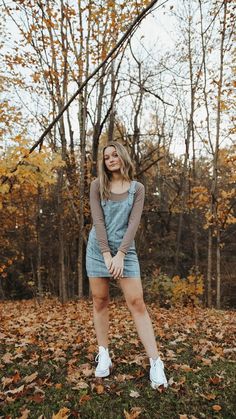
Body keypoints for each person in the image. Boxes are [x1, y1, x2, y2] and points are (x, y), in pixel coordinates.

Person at [86, 141, 168, 389]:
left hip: (125, 251)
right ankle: (104, 354)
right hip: (98, 249)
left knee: (137, 303)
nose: (110, 159)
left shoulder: (137, 189)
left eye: (114, 155)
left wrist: (120, 254)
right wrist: (107, 254)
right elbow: (98, 220)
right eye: (106, 156)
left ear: (122, 157)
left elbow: (133, 224)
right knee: (100, 301)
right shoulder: (97, 186)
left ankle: (156, 362)